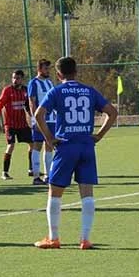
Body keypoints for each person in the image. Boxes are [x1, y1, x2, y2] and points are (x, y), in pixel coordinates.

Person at [33, 57, 118, 250]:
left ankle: (54, 238)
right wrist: (98, 136)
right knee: (87, 193)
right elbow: (112, 112)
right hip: (86, 145)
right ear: (76, 71)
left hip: (66, 146)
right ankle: (85, 239)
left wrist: (49, 138)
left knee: (54, 193)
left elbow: (39, 114)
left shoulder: (56, 91)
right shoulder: (89, 91)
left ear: (58, 74)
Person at [0, 69, 32, 180]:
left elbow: (27, 106)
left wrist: (33, 118)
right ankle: (4, 172)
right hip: (10, 125)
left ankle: (31, 169)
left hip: (22, 124)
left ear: (22, 79)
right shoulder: (7, 90)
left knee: (33, 144)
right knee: (11, 146)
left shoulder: (26, 90)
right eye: (13, 78)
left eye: (17, 78)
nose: (15, 80)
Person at [28, 59, 55, 184]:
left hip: (51, 120)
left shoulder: (50, 83)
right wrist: (35, 120)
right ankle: (36, 177)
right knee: (37, 146)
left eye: (48, 68)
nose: (48, 71)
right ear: (39, 69)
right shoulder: (33, 83)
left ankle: (49, 176)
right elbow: (32, 102)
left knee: (49, 146)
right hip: (40, 120)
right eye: (46, 68)